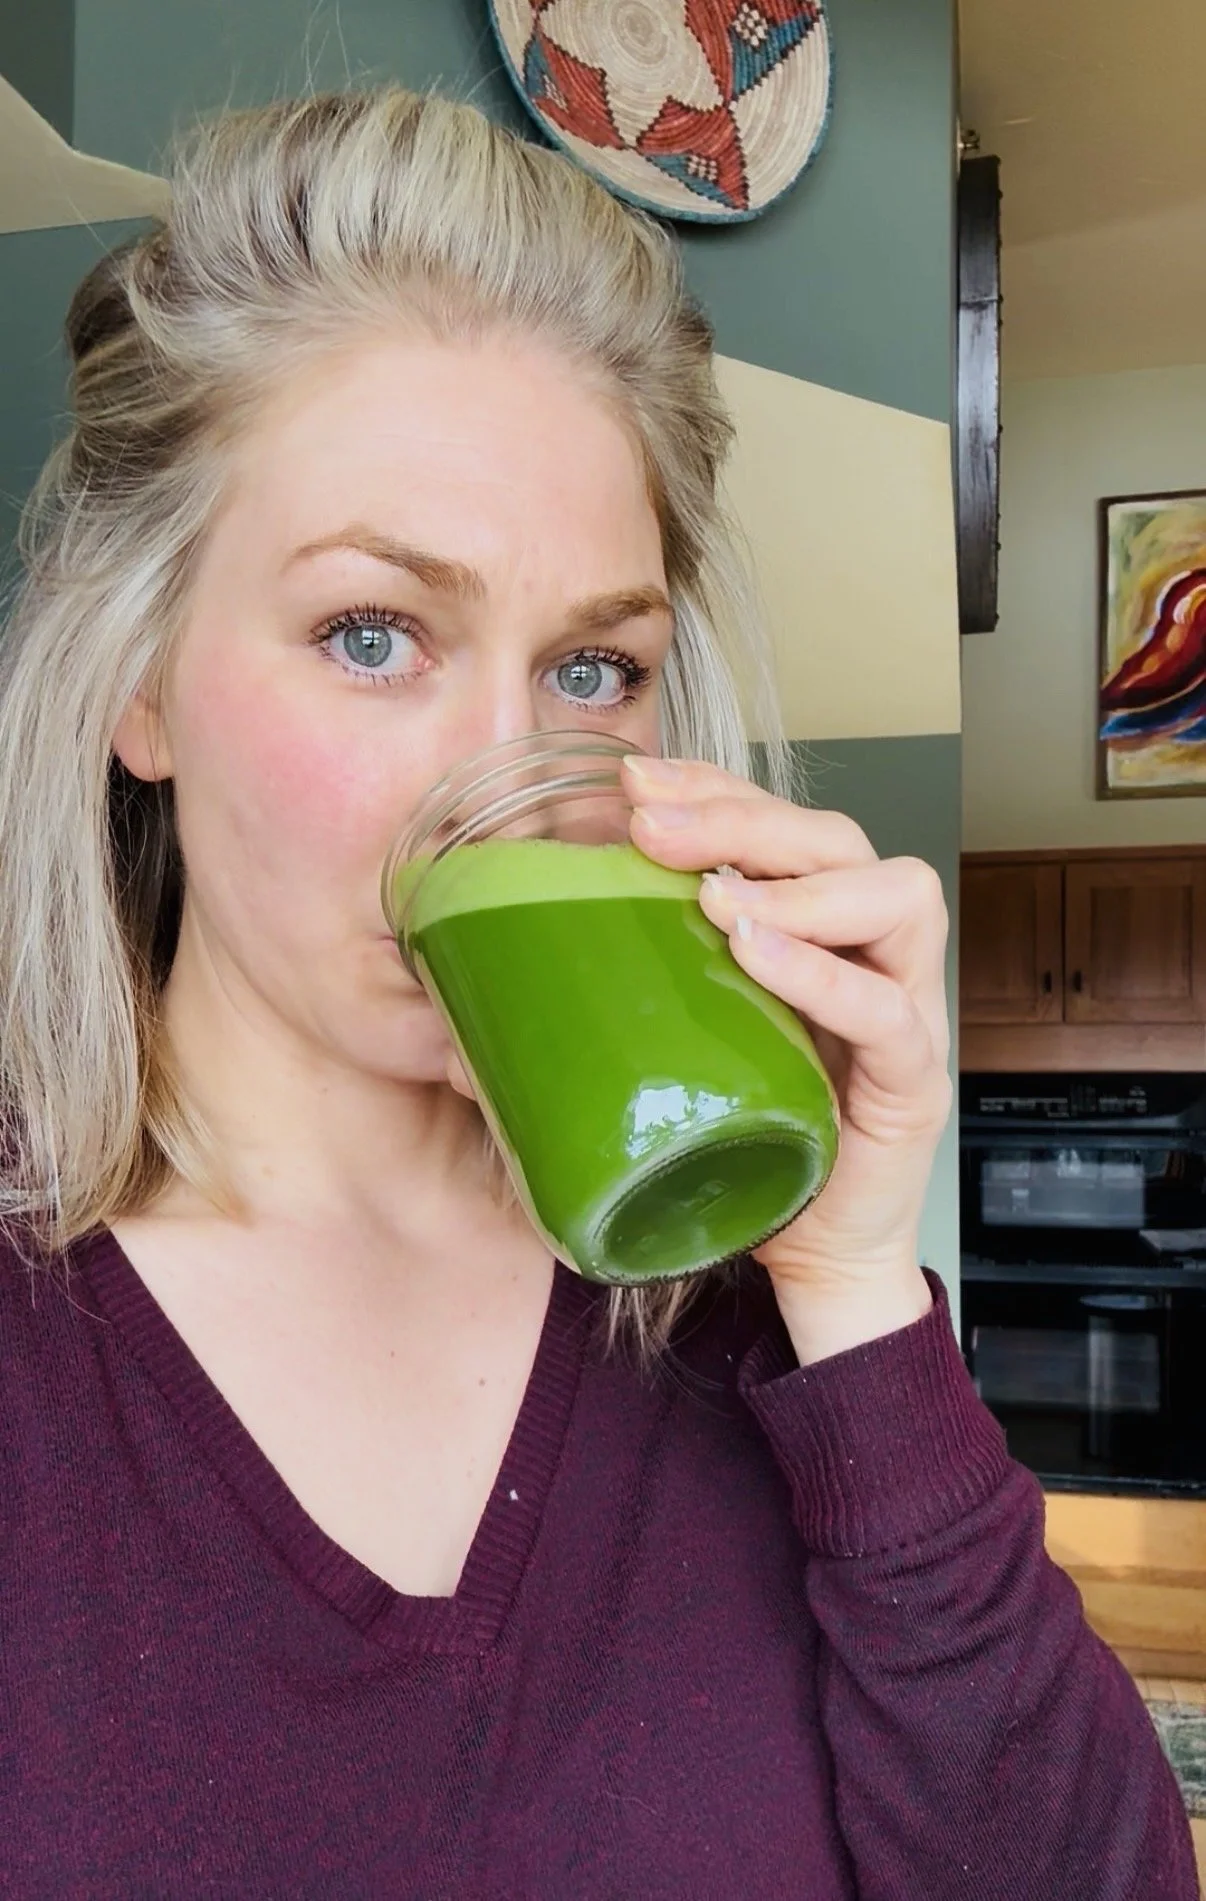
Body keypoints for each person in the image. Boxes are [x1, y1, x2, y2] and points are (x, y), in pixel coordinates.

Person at [0, 87, 1194, 1901]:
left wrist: (854, 1294)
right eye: (371, 635)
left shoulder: (742, 1322)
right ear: (138, 690)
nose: (509, 773)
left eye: (589, 670)